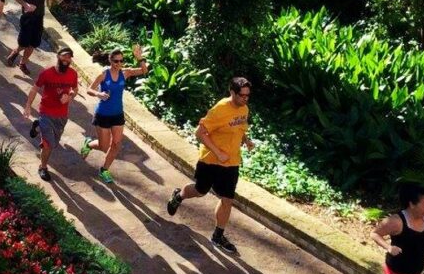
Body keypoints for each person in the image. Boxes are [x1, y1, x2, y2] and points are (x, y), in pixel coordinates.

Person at [166, 77, 255, 255]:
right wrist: (217, 152)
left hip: (232, 163)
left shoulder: (244, 108)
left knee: (227, 199)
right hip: (210, 161)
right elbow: (199, 132)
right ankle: (179, 196)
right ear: (232, 92)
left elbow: (240, 127)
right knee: (200, 191)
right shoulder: (219, 110)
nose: (245, 99)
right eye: (241, 95)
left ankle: (218, 235)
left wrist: (246, 140)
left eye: (247, 96)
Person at [80, 45, 149, 184]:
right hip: (103, 114)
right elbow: (89, 89)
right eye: (116, 61)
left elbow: (144, 70)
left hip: (118, 114)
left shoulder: (126, 73)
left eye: (121, 61)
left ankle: (104, 169)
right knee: (104, 146)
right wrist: (99, 94)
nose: (119, 64)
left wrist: (139, 58)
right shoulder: (104, 74)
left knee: (116, 144)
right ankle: (89, 144)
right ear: (110, 61)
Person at [23, 47, 80, 182]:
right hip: (46, 112)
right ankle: (43, 167)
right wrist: (27, 107)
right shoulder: (47, 73)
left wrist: (70, 97)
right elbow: (35, 88)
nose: (66, 59)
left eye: (69, 57)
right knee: (48, 144)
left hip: (62, 115)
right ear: (58, 56)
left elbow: (75, 89)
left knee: (54, 143)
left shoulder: (72, 74)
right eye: (64, 56)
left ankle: (37, 127)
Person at [5, 0, 51, 75]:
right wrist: (26, 5)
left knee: (33, 43)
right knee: (24, 43)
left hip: (39, 16)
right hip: (27, 16)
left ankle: (23, 63)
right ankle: (15, 52)